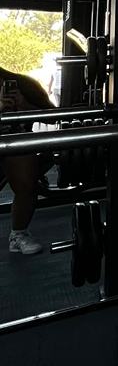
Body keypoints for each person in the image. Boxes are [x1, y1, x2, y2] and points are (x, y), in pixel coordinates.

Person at [0, 68, 53, 255]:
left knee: (26, 186)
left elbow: (54, 115)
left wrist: (26, 106)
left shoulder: (25, 85)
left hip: (16, 144)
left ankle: (18, 235)